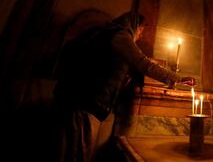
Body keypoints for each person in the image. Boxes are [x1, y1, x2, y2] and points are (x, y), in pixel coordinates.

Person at [52, 12, 195, 162]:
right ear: (134, 25)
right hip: (84, 102)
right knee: (79, 151)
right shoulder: (120, 36)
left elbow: (107, 66)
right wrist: (177, 78)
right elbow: (144, 64)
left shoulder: (108, 35)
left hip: (80, 100)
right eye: (140, 30)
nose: (140, 36)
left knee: (71, 151)